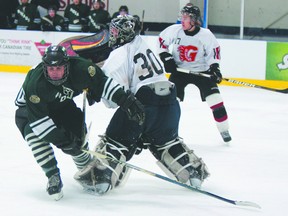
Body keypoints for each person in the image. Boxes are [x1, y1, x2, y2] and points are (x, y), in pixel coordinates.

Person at [74, 15, 209, 195]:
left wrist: (96, 91)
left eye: (114, 31)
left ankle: (100, 179)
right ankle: (193, 174)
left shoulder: (119, 54)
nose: (112, 35)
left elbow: (113, 98)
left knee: (116, 141)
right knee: (166, 142)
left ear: (121, 34)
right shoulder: (143, 44)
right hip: (170, 101)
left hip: (144, 102)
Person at [14, 45, 145, 200]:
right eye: (51, 69)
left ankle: (86, 170)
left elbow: (103, 83)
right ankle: (52, 176)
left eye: (59, 68)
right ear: (45, 68)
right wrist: (62, 142)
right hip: (29, 112)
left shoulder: (82, 68)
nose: (55, 73)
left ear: (67, 66)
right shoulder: (35, 84)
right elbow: (40, 123)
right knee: (36, 137)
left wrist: (125, 100)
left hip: (62, 105)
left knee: (78, 139)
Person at [158, 5, 232, 143]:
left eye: (186, 18)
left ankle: (224, 129)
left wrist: (215, 69)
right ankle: (168, 133)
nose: (182, 21)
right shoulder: (174, 31)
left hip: (201, 72)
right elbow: (162, 42)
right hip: (179, 71)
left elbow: (213, 53)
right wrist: (166, 58)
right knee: (172, 103)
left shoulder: (206, 35)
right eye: (182, 17)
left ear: (194, 20)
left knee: (216, 100)